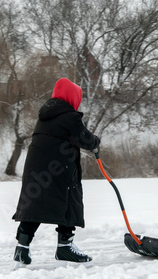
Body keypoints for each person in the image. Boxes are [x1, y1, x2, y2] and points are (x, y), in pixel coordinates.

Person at [12, 78, 101, 268]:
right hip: (59, 168)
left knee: (35, 204)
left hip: (36, 168)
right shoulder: (69, 116)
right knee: (69, 199)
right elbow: (84, 139)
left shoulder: (45, 115)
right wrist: (95, 142)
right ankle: (65, 246)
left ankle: (22, 247)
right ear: (72, 97)